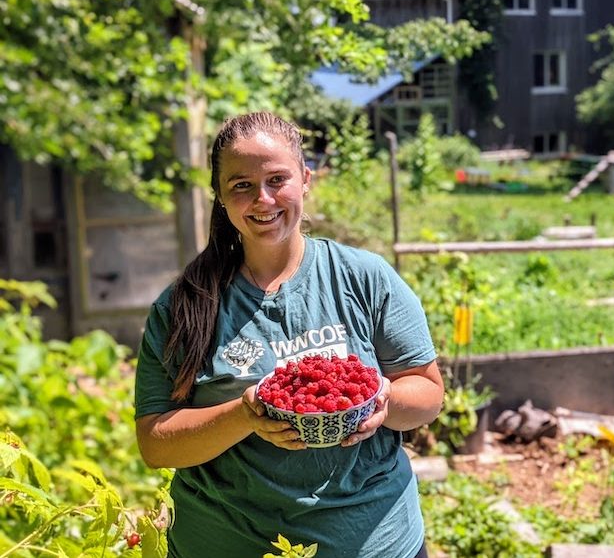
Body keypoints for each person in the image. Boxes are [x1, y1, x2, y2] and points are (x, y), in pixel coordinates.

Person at [134, 111, 444, 558]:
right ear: (220, 196)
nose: (262, 199)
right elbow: (155, 443)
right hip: (227, 542)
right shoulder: (183, 305)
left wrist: (381, 400)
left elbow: (428, 391)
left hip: (375, 540)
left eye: (276, 179)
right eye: (241, 185)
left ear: (305, 179)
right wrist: (243, 416)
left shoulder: (364, 277)